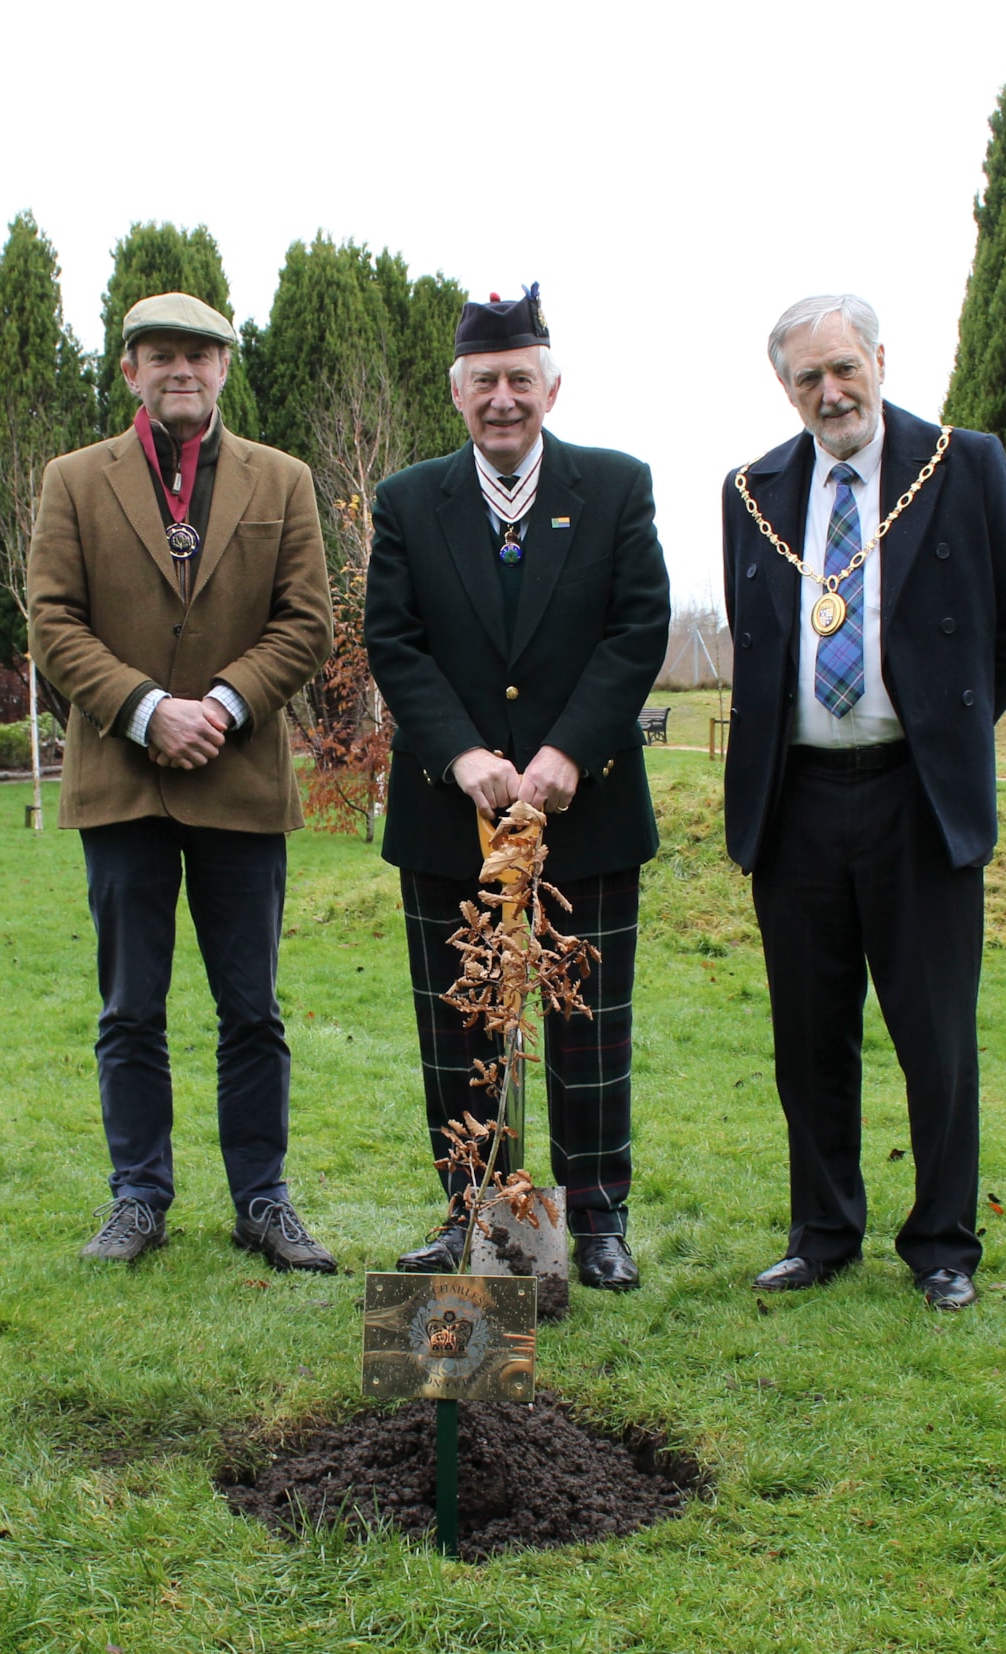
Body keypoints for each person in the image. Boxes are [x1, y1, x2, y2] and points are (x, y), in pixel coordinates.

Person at [722, 294, 1006, 1310]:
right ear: (785, 387)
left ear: (879, 359)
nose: (832, 393)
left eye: (845, 369)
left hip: (920, 795)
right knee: (808, 1034)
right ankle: (823, 1231)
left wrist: (946, 725)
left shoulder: (965, 465)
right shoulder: (753, 490)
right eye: (808, 378)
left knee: (934, 1033)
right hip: (800, 802)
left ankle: (944, 1244)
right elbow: (760, 643)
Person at [364, 285, 670, 1290]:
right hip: (451, 819)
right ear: (458, 393)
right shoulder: (410, 501)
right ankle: (472, 1216)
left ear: (552, 385)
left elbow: (636, 631)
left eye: (520, 379)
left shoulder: (617, 487)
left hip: (587, 815)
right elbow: (394, 643)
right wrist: (461, 758)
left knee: (587, 1030)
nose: (504, 399)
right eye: (485, 381)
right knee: (460, 1030)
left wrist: (568, 754)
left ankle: (597, 1221)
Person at [28, 291, 337, 1271]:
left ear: (224, 367)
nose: (181, 370)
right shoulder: (71, 482)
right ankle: (138, 1196)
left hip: (240, 780)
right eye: (160, 354)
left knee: (253, 1008)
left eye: (200, 355)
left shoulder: (283, 481)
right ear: (128, 370)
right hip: (122, 779)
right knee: (131, 1008)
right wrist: (149, 710)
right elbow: (52, 622)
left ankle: (262, 1197)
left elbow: (307, 622)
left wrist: (224, 705)